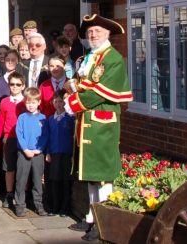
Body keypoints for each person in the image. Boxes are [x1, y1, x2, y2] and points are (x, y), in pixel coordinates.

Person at [65, 14, 132, 241]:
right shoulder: (89, 56)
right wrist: (74, 87)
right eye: (90, 32)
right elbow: (81, 83)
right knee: (91, 174)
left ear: (108, 34)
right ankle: (92, 216)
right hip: (87, 122)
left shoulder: (112, 58)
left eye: (97, 32)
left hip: (102, 123)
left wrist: (73, 102)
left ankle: (104, 223)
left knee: (102, 176)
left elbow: (100, 91)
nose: (92, 35)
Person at [14, 87, 48, 217]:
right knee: (21, 180)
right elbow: (19, 134)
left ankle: (38, 204)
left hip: (38, 154)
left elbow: (45, 136)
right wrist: (25, 149)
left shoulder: (43, 118)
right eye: (28, 103)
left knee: (37, 180)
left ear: (39, 102)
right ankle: (20, 205)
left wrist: (39, 149)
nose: (31, 105)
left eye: (33, 102)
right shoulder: (22, 117)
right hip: (24, 153)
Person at [45, 91, 75, 217]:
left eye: (61, 101)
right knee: (55, 181)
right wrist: (48, 152)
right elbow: (47, 137)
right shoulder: (50, 119)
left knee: (66, 181)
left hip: (66, 154)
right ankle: (54, 207)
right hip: (54, 153)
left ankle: (65, 208)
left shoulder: (70, 118)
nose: (58, 104)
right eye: (56, 101)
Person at [0, 72, 26, 209]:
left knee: (23, 168)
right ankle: (9, 193)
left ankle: (22, 194)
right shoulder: (4, 102)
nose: (14, 87)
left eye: (18, 84)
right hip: (9, 137)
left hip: (24, 139)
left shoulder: (26, 101)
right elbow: (2, 120)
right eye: (12, 84)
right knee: (9, 167)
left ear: (23, 86)